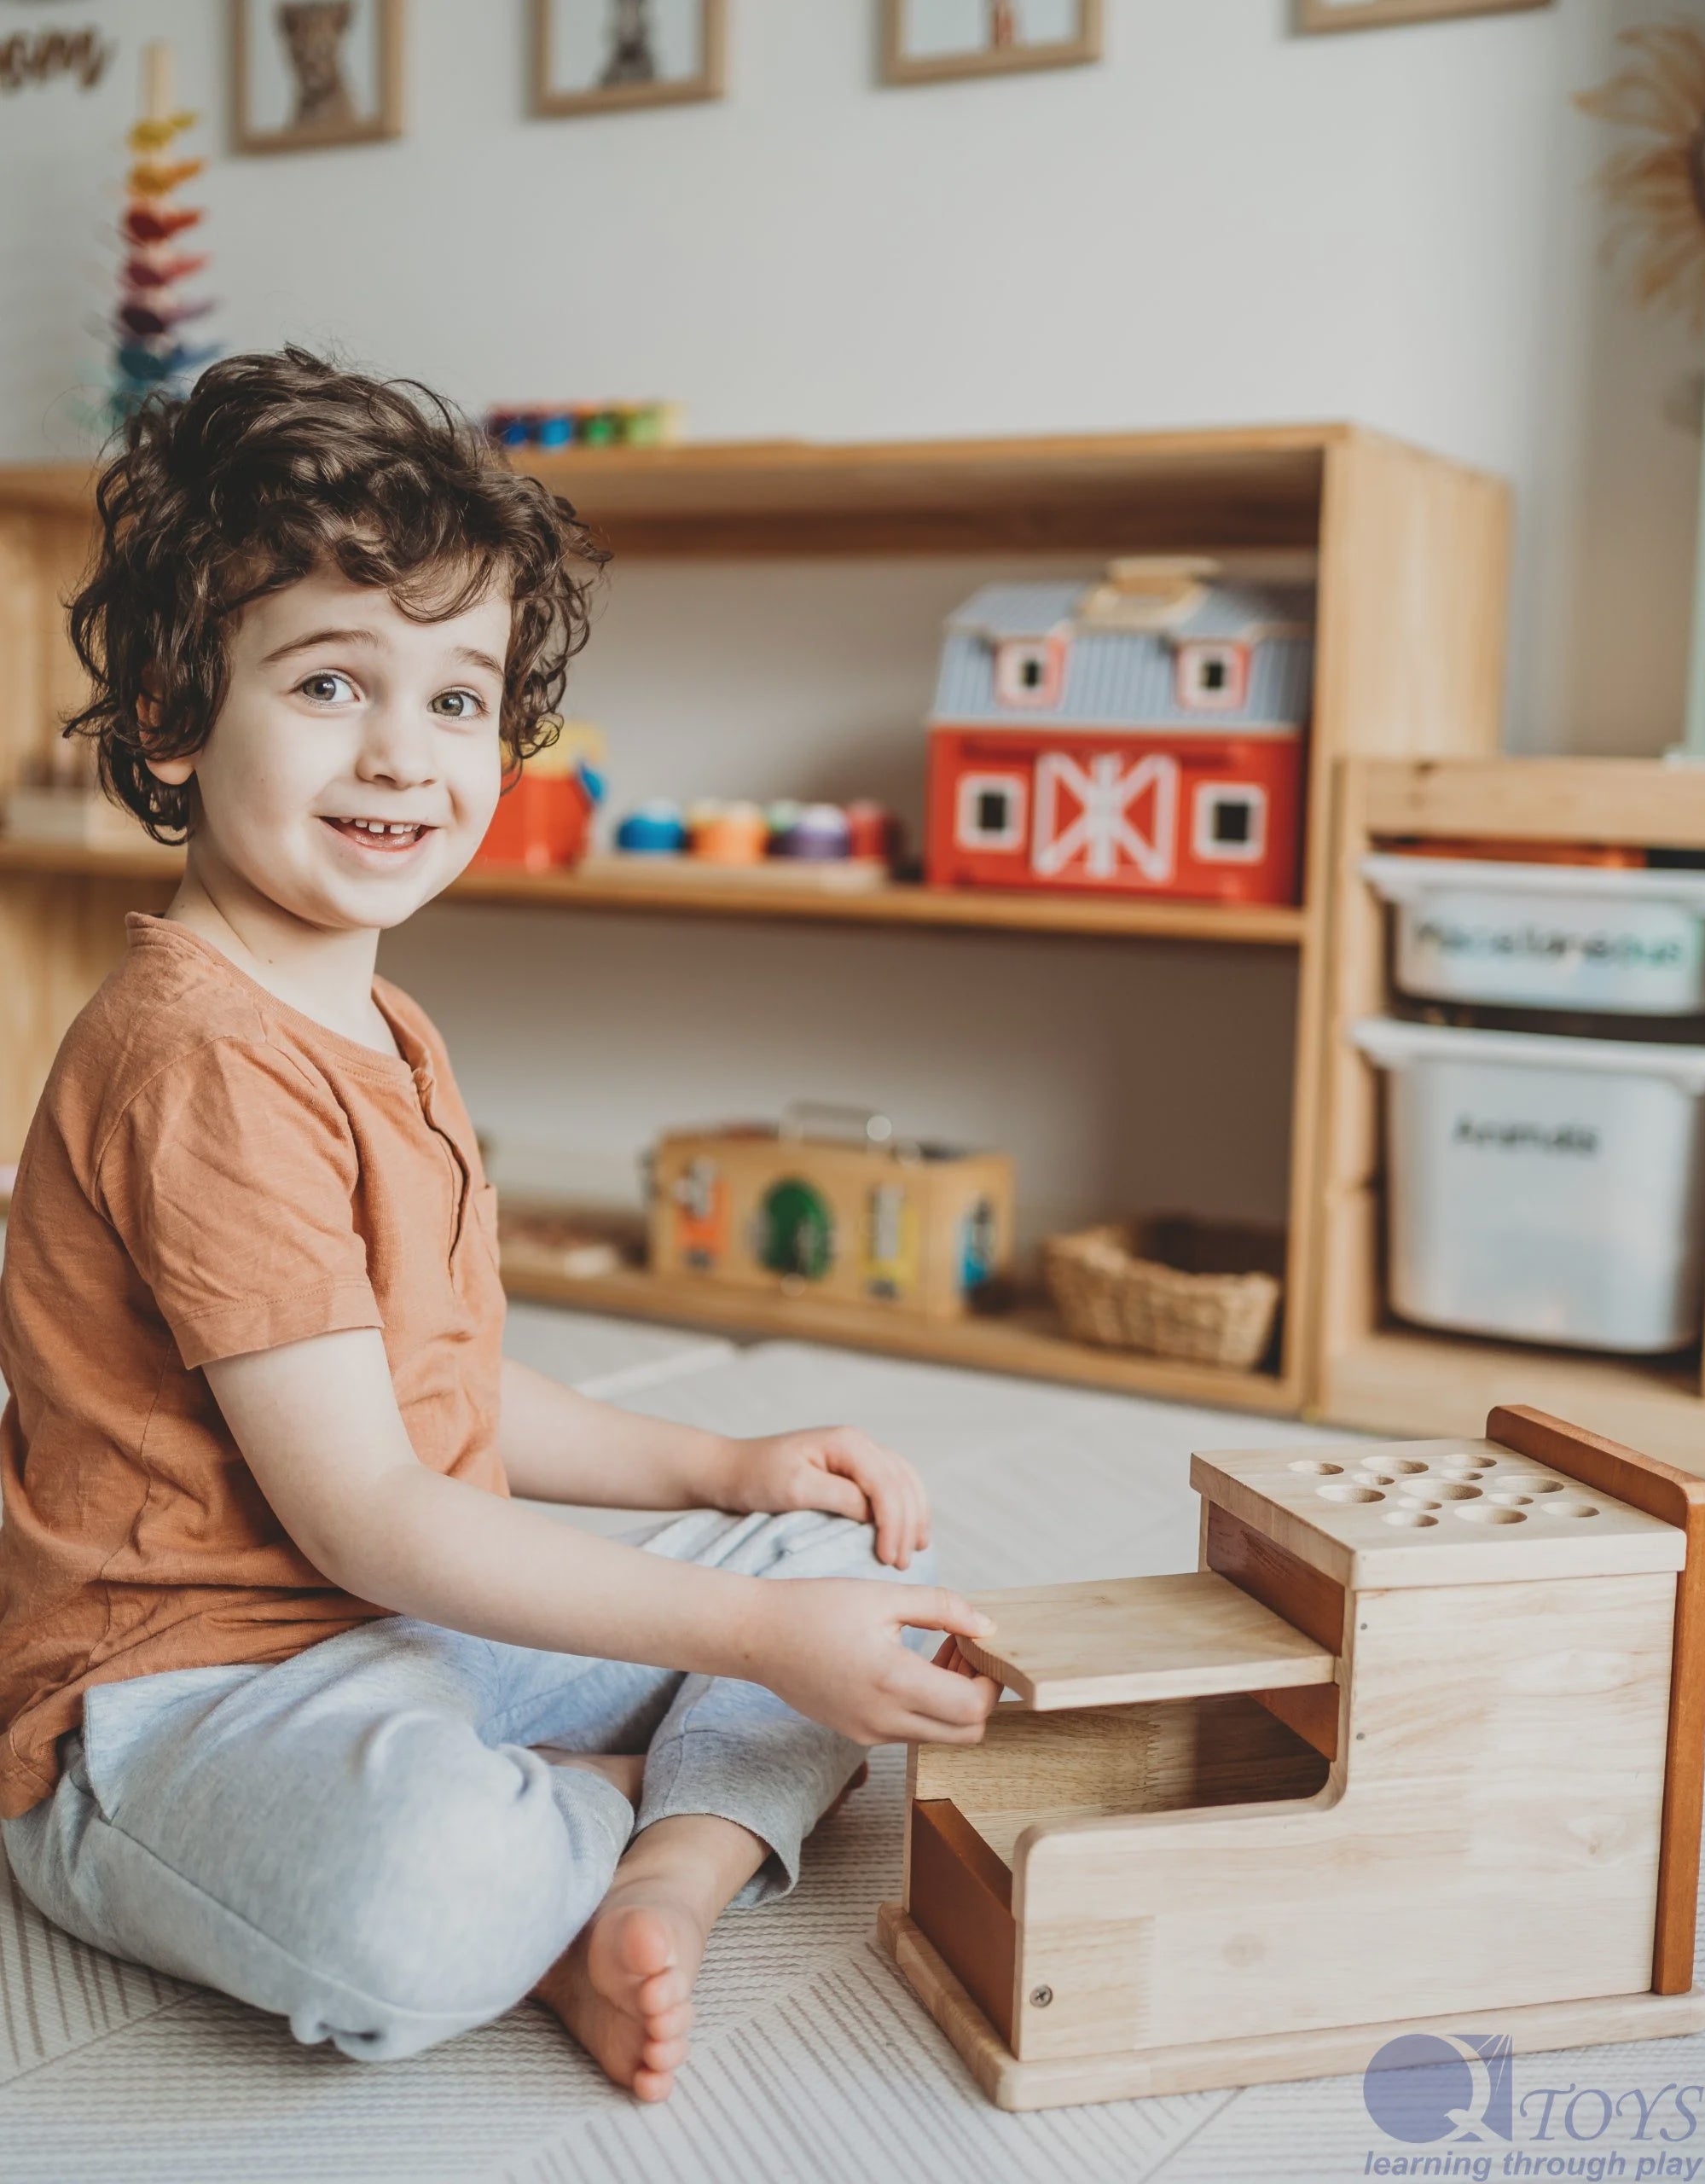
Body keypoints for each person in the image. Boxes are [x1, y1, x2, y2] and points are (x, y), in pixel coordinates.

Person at [0, 347, 1000, 2104]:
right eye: (329, 682)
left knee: (848, 1567)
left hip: (413, 1614)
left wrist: (722, 1465)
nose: (404, 751)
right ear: (172, 713)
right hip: (186, 1696)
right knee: (423, 1891)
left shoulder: (382, 1021)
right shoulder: (199, 1059)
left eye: (458, 700)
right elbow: (373, 1508)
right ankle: (582, 1844)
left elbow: (443, 1393)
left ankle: (652, 1882)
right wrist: (753, 1652)